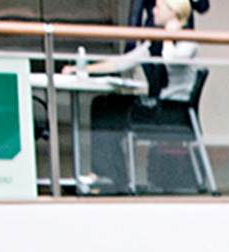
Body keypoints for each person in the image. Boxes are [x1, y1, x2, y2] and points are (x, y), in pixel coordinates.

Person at [66, 0, 201, 193]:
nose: (152, 10)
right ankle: (110, 175)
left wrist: (168, 36)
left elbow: (174, 60)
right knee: (103, 104)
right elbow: (123, 63)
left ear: (172, 11)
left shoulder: (188, 41)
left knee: (110, 109)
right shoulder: (155, 41)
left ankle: (112, 177)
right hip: (158, 105)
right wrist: (83, 69)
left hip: (173, 111)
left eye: (158, 6)